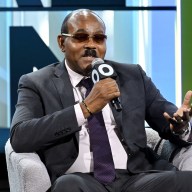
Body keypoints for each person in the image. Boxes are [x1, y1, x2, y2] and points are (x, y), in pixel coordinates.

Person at [10, 9, 192, 192]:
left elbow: (167, 118)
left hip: (138, 177)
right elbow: (20, 137)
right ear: (62, 42)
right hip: (80, 180)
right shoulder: (37, 83)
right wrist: (85, 109)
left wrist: (180, 127)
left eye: (98, 38)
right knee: (68, 187)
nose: (91, 45)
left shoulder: (132, 75)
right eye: (81, 37)